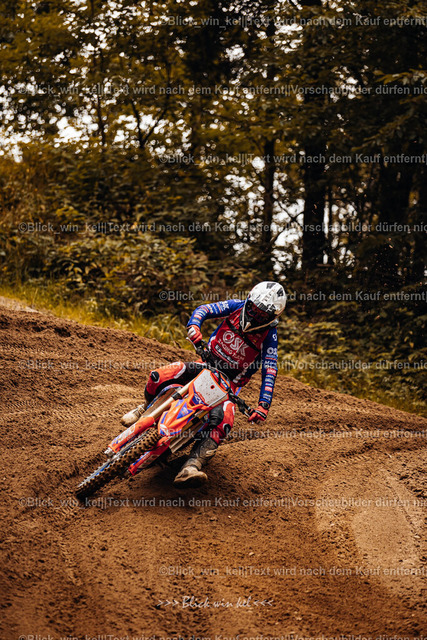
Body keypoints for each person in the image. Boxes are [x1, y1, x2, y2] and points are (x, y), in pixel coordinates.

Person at [121, 281, 287, 487]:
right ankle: (144, 408)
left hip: (229, 385)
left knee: (224, 420)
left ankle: (191, 466)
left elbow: (270, 368)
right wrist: (194, 325)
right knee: (159, 376)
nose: (256, 316)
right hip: (205, 363)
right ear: (249, 301)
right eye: (254, 309)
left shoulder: (270, 336)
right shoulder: (236, 306)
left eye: (263, 314)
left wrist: (263, 405)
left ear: (272, 317)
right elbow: (205, 309)